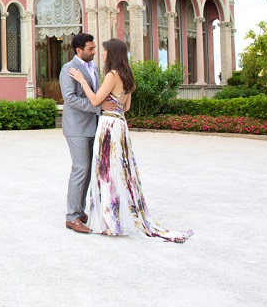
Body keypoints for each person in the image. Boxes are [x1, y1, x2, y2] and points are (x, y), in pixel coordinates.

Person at [69, 38, 192, 243]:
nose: (103, 54)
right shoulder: (127, 76)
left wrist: (82, 81)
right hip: (121, 125)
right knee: (120, 169)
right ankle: (117, 214)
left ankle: (109, 219)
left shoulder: (112, 74)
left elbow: (94, 100)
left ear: (113, 53)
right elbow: (125, 107)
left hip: (108, 126)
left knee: (107, 171)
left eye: (105, 51)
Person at [60, 33, 116, 234]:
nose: (94, 52)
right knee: (80, 169)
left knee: (89, 170)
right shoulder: (68, 69)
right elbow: (70, 99)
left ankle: (80, 211)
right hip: (76, 127)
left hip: (93, 126)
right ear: (79, 50)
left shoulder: (93, 68)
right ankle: (72, 217)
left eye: (94, 48)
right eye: (90, 49)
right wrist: (98, 107)